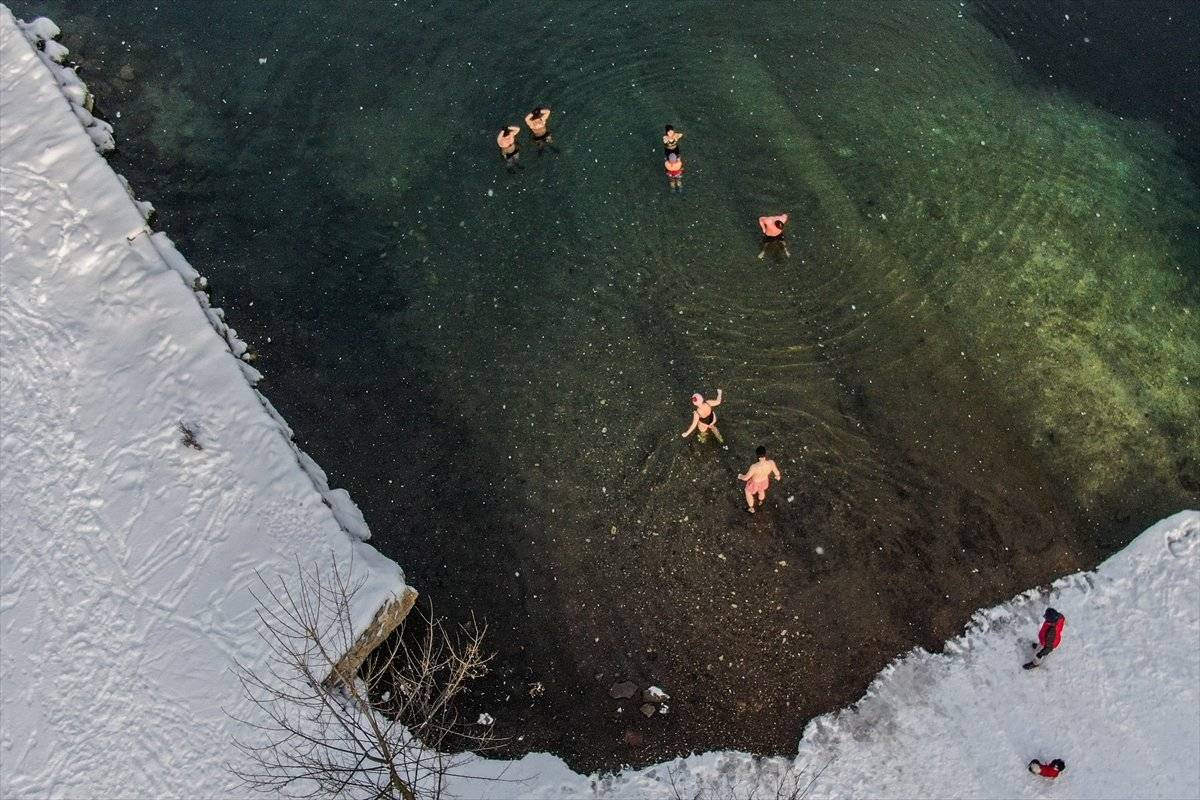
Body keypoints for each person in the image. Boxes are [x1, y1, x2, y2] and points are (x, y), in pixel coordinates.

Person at [738, 446, 781, 513]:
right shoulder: (771, 463)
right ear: (765, 454)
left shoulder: (754, 467)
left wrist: (740, 476)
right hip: (764, 481)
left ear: (757, 455)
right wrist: (778, 476)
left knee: (747, 492)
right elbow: (777, 472)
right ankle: (760, 501)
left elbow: (746, 478)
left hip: (755, 483)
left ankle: (751, 508)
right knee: (761, 490)